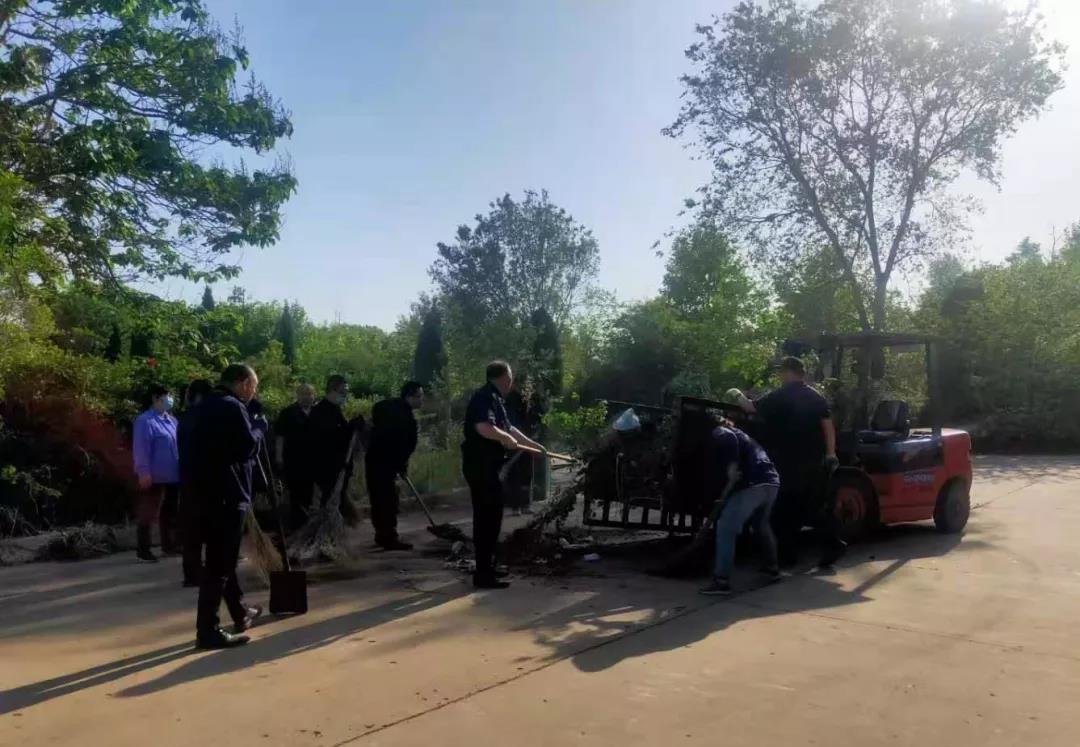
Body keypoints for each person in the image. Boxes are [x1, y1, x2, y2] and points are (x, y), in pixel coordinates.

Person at [735, 356, 844, 569]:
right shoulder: (815, 396)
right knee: (811, 507)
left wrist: (737, 395)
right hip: (813, 461)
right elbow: (827, 425)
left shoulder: (781, 395)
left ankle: (787, 556)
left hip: (788, 461)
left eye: (781, 371)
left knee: (783, 509)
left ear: (788, 372)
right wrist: (831, 453)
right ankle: (831, 544)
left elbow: (751, 408)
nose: (779, 375)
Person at [188, 364, 264, 649]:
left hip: (203, 494)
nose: (253, 392)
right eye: (253, 386)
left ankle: (239, 612)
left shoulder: (201, 407)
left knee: (221, 561)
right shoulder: (232, 407)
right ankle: (208, 630)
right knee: (219, 565)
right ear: (243, 383)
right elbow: (246, 447)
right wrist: (259, 429)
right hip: (227, 494)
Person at [462, 361, 546, 590]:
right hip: (480, 467)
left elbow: (509, 428)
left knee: (494, 518)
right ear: (502, 377)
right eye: (510, 377)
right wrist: (503, 438)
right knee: (486, 520)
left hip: (491, 468)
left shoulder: (497, 399)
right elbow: (483, 427)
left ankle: (488, 567)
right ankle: (483, 574)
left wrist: (533, 445)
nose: (512, 381)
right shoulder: (483, 397)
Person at [699, 421, 782, 595]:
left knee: (726, 527)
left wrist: (732, 469)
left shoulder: (722, 431)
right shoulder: (747, 438)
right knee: (761, 524)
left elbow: (730, 444)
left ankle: (721, 581)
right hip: (771, 482)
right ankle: (772, 569)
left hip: (754, 484)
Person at [365, 381, 424, 550]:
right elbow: (405, 446)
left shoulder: (383, 406)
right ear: (409, 397)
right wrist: (401, 465)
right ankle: (389, 537)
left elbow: (374, 426)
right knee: (389, 500)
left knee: (377, 499)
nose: (422, 400)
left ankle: (381, 535)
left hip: (373, 460)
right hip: (387, 464)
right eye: (419, 396)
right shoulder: (407, 419)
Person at [132, 384, 180, 563]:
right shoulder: (145, 421)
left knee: (170, 512)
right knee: (148, 512)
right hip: (154, 476)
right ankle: (143, 549)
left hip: (173, 475)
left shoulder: (172, 421)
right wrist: (143, 472)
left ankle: (169, 545)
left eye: (170, 396)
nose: (169, 399)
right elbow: (141, 449)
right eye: (166, 396)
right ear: (155, 398)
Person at [309, 375, 361, 524]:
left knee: (337, 497)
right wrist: (350, 427)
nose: (345, 395)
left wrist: (352, 427)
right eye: (342, 392)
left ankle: (337, 524)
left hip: (340, 466)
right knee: (329, 499)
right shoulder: (319, 411)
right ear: (332, 390)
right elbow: (330, 436)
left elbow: (342, 434)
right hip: (327, 466)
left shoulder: (335, 409)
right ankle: (327, 525)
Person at [178, 378, 214, 587]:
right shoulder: (209, 417)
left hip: (188, 479)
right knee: (211, 530)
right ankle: (210, 571)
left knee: (191, 531)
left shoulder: (186, 417)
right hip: (208, 480)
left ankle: (191, 573)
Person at [274, 383, 317, 530]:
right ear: (297, 396)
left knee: (310, 493)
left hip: (312, 461)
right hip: (293, 460)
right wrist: (279, 457)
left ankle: (308, 524)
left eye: (310, 394)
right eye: (304, 394)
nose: (307, 397)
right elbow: (280, 436)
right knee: (295, 494)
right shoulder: (288, 413)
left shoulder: (317, 413)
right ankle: (296, 525)